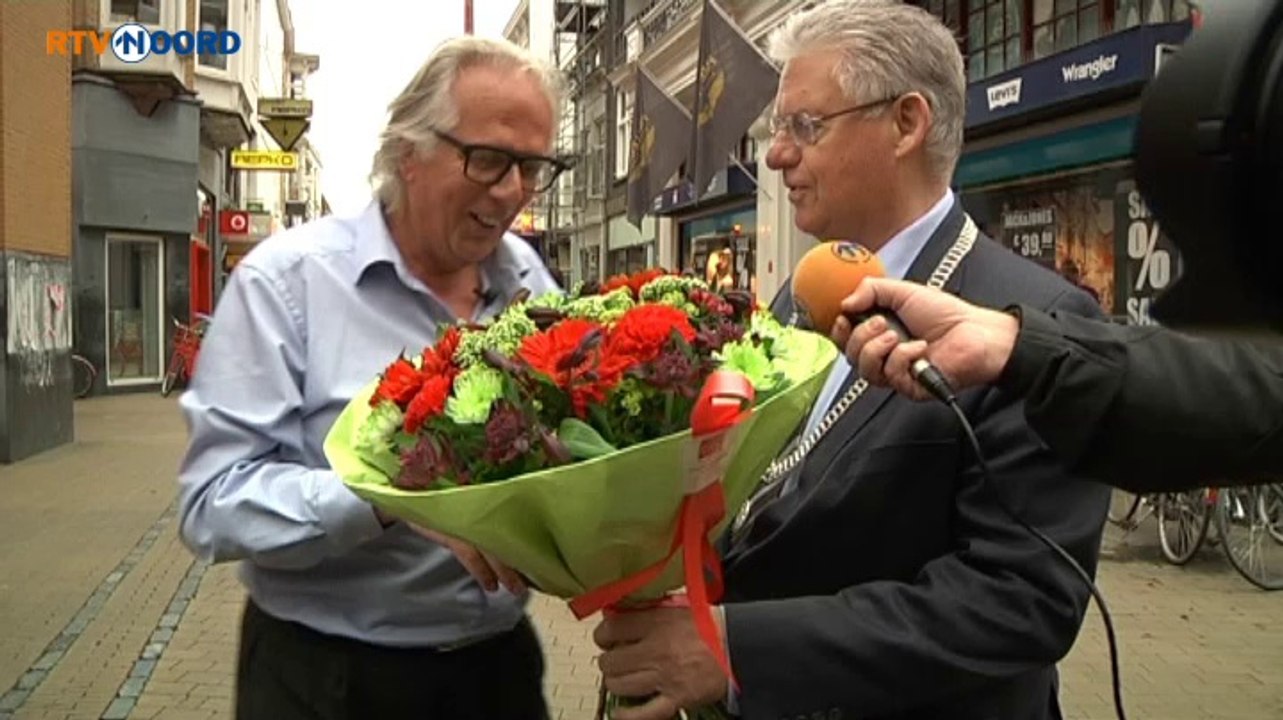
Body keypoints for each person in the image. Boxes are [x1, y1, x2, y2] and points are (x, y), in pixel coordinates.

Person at [593, 2, 1110, 719]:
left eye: (804, 126)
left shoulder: (1035, 322)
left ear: (906, 122)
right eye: (775, 129)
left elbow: (1019, 602)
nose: (776, 155)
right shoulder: (793, 300)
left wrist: (734, 649)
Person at [177, 36, 567, 720]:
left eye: (532, 168)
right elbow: (213, 505)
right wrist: (395, 495)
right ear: (407, 153)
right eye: (487, 160)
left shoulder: (531, 285)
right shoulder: (286, 284)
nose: (510, 192)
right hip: (327, 681)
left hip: (497, 670)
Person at [834, 276, 1283, 491]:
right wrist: (1014, 344)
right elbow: (1254, 393)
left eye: (808, 125)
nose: (778, 155)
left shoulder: (1053, 298)